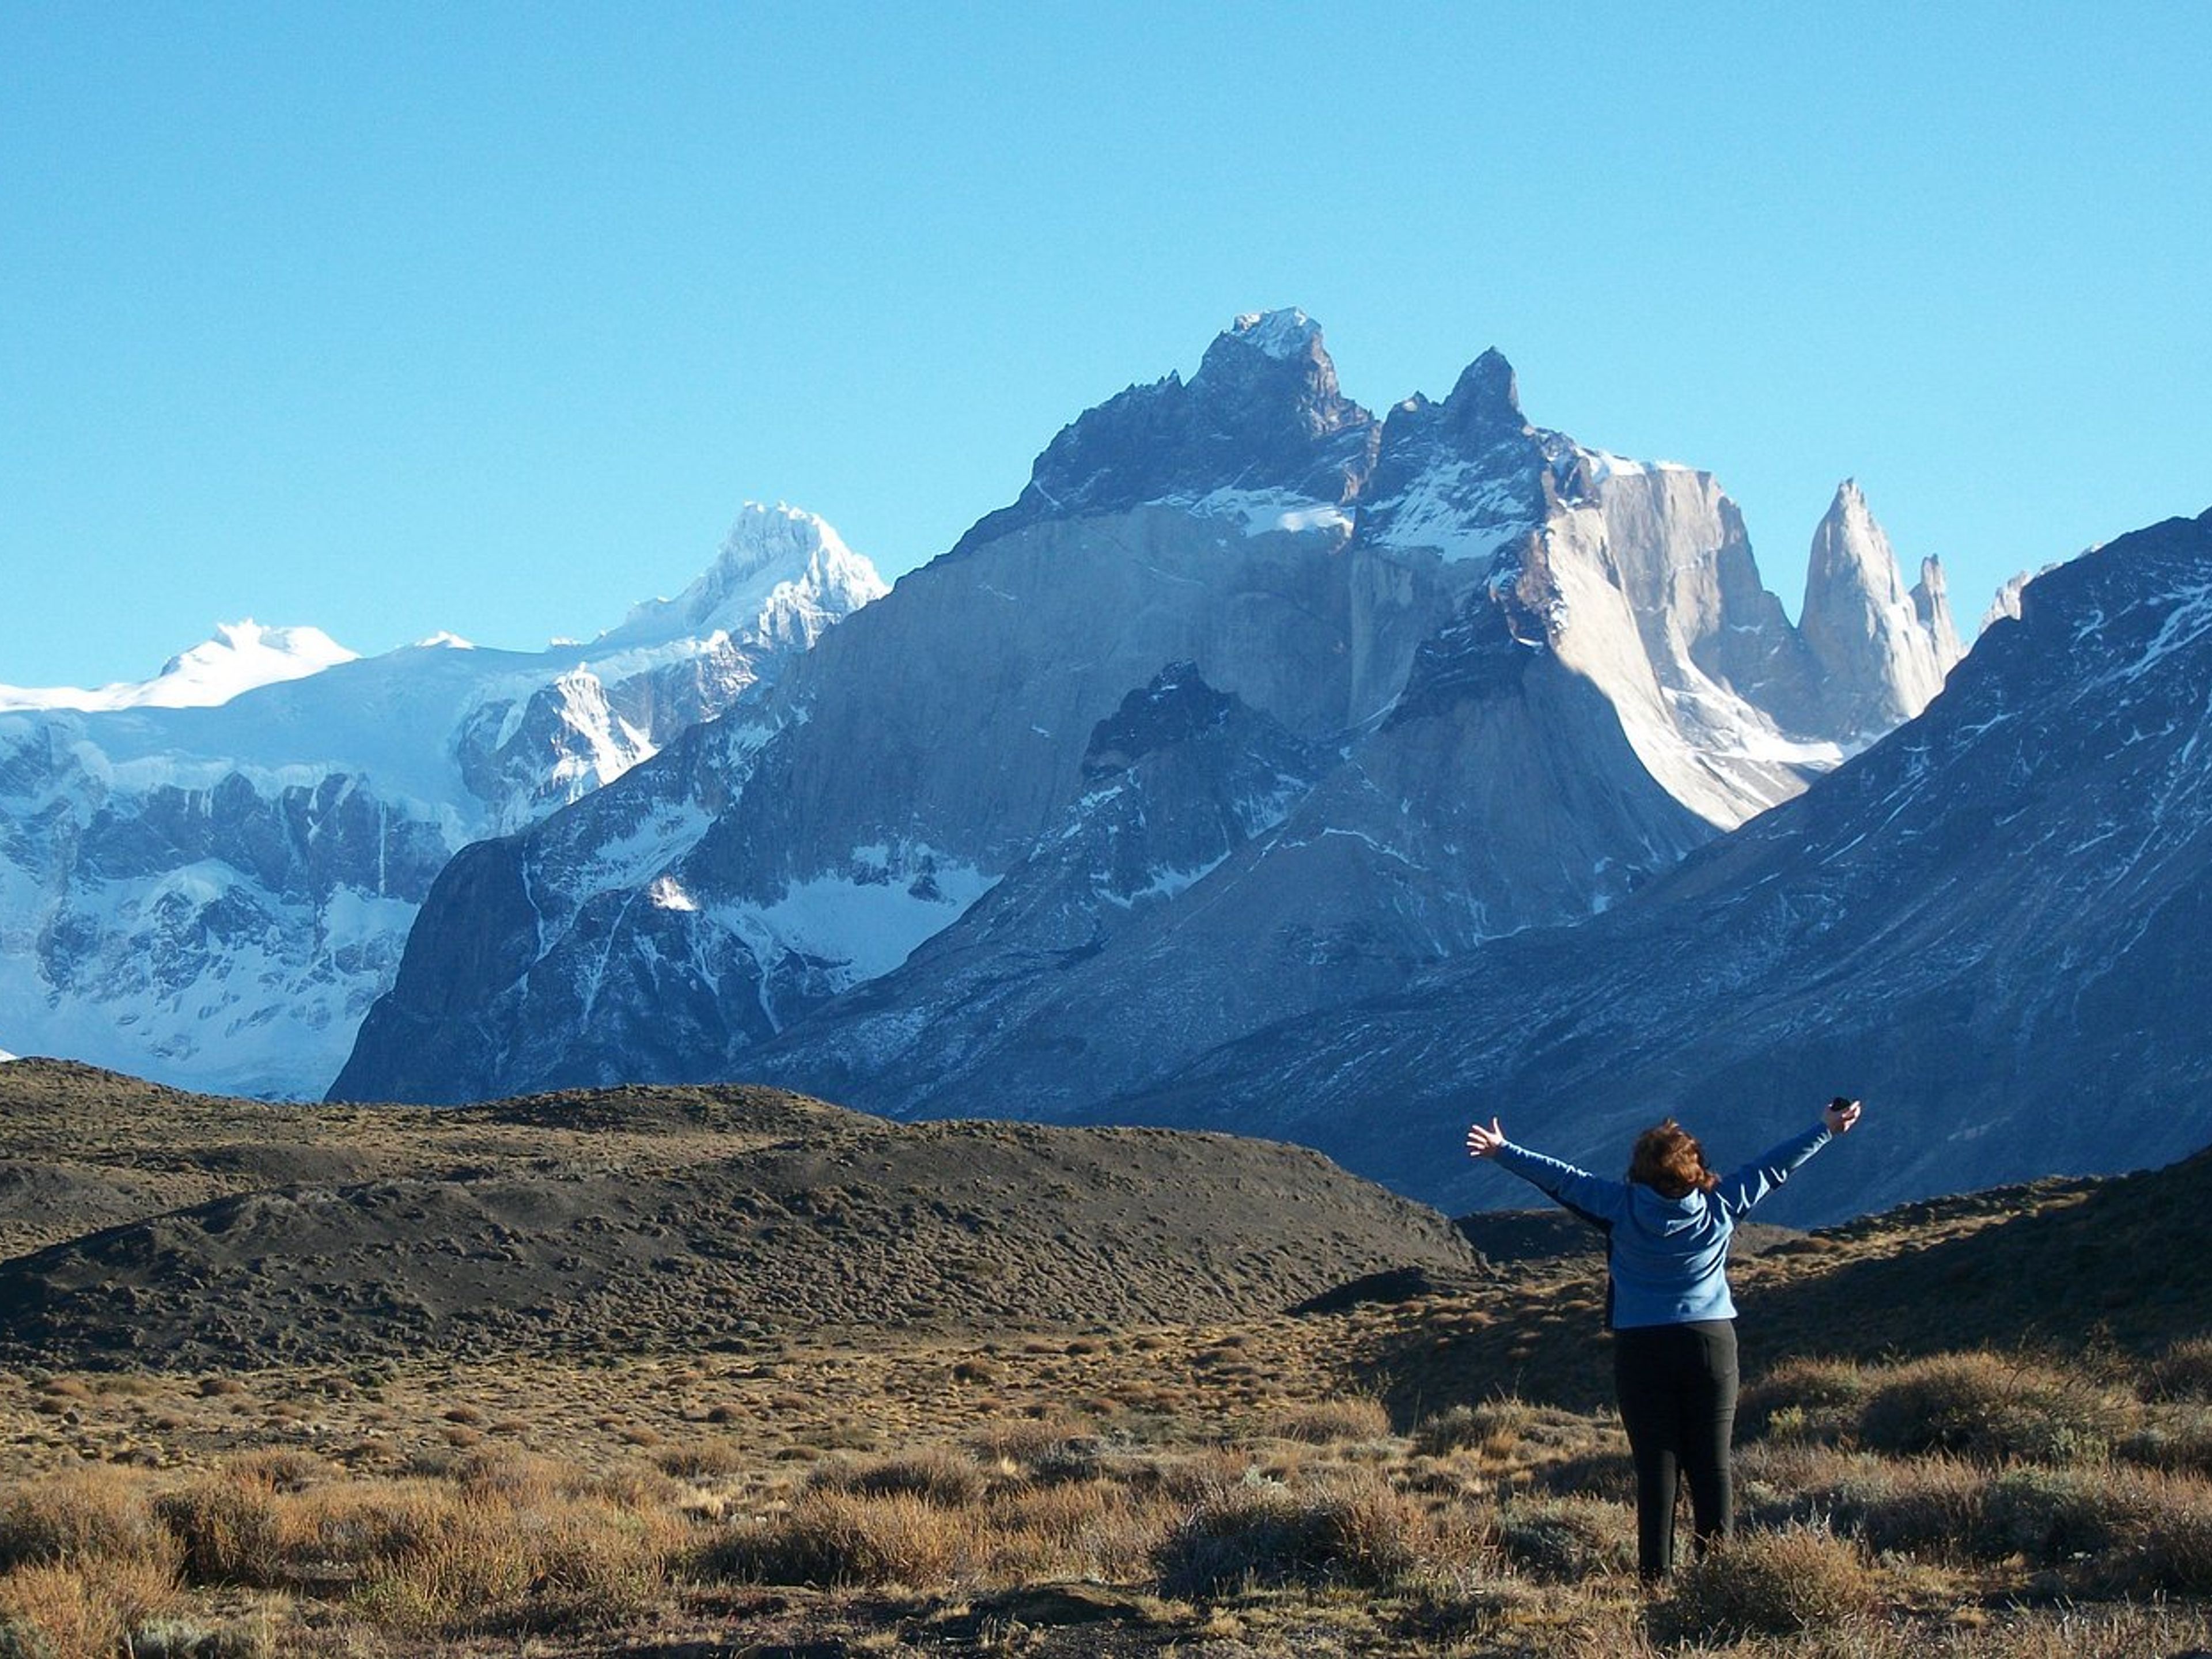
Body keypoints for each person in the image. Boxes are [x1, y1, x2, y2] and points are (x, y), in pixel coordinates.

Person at [1465, 1097, 1862, 1581]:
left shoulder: (1619, 1207)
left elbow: (1562, 1179)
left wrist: (1502, 1150)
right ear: (1697, 1169)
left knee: (1657, 1469)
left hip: (1642, 1348)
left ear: (1640, 1170)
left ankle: (1656, 1580)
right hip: (1711, 1344)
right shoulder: (1722, 1204)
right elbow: (1774, 1167)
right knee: (1712, 1466)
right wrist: (1826, 1129)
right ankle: (1718, 1578)